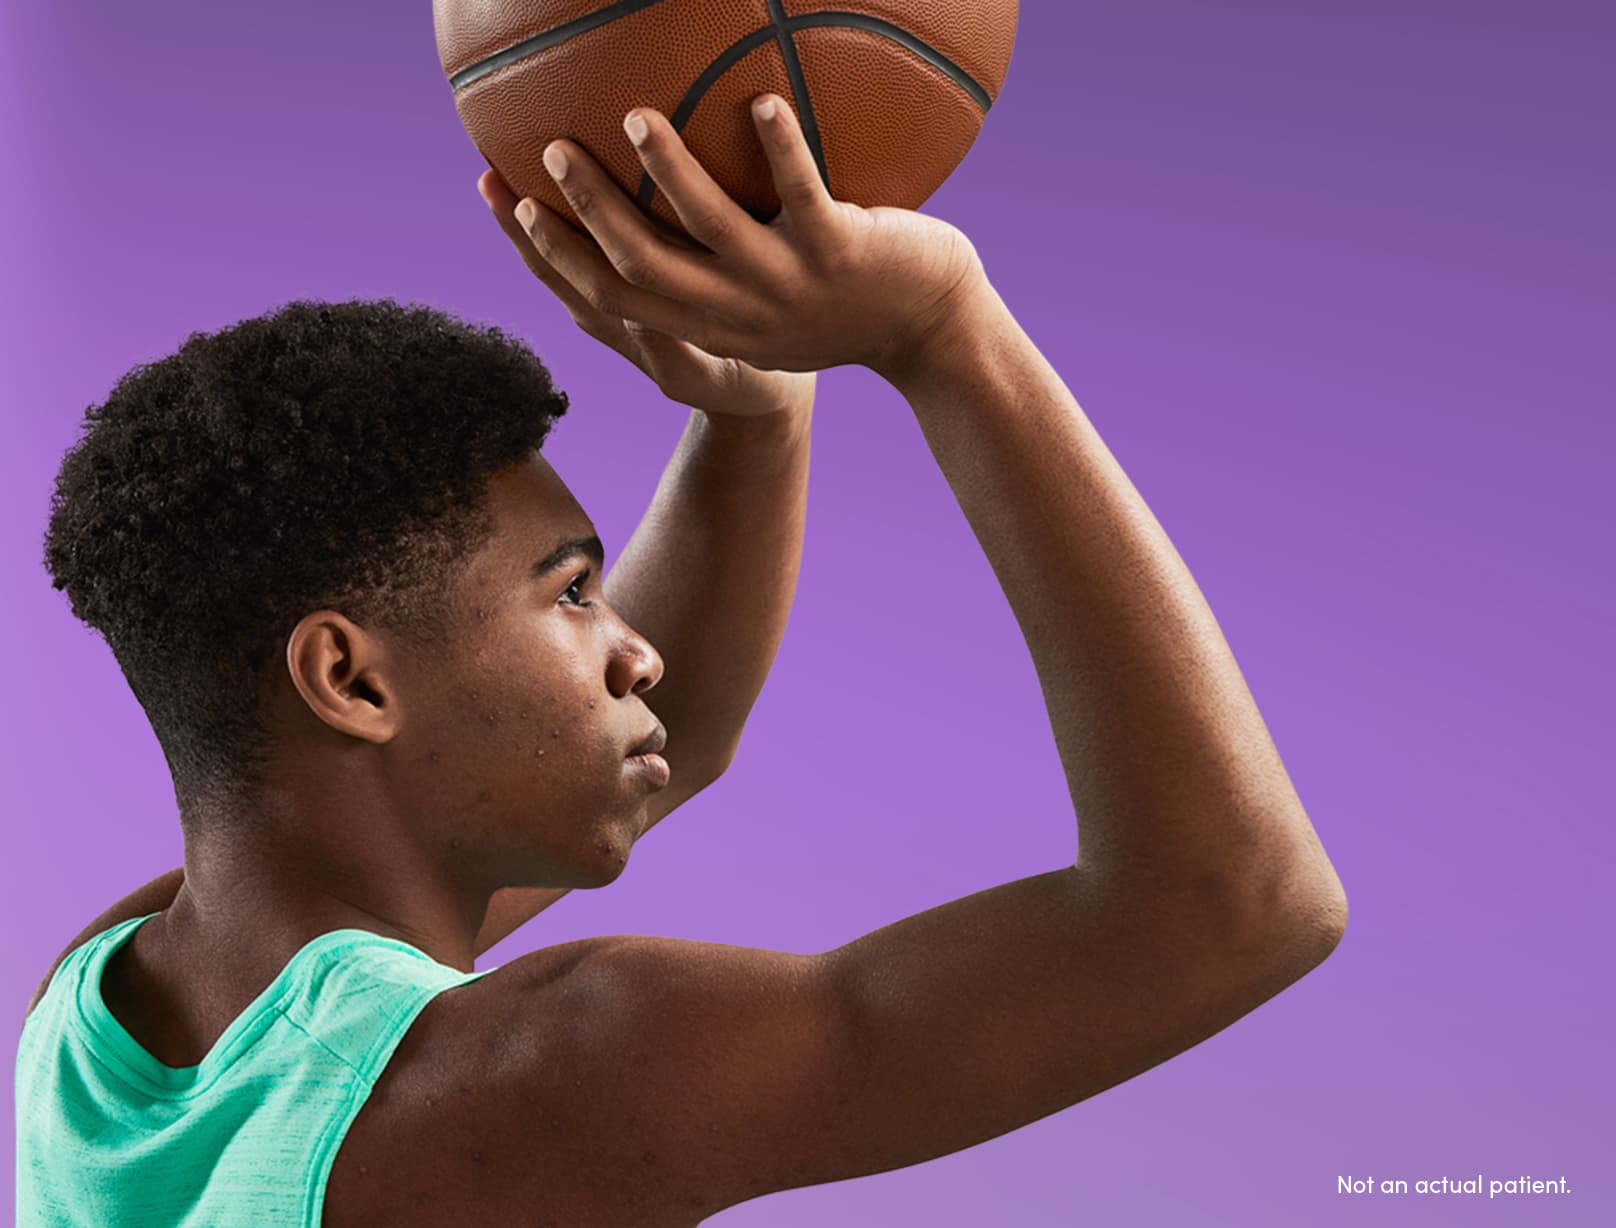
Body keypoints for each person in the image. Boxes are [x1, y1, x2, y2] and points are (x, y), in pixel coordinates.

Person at [15, 93, 1347, 1225]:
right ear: (351, 682)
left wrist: (756, 421)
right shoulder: (556, 1069)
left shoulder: (96, 1011)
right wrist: (942, 332)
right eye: (572, 593)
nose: (635, 652)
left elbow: (667, 735)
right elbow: (1236, 908)